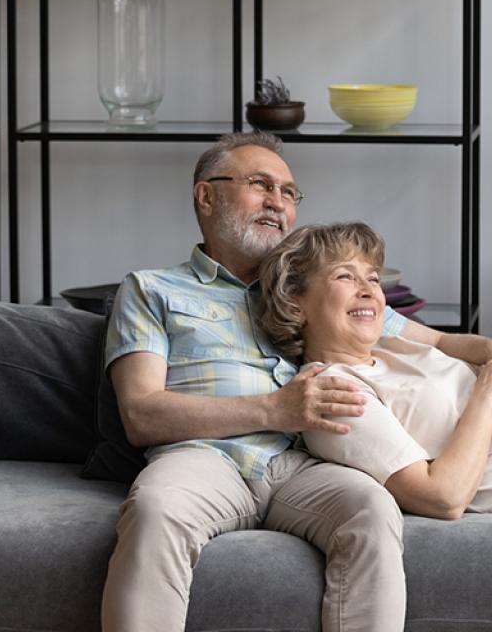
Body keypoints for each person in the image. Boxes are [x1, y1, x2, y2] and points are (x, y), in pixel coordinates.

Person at [100, 132, 492, 632]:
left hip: (305, 463)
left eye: (288, 192)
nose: (278, 202)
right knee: (156, 508)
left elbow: (440, 341)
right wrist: (275, 409)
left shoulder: (309, 285)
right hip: (203, 458)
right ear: (206, 195)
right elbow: (141, 413)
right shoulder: (152, 289)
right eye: (260, 185)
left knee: (372, 508)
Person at [259, 221, 492, 517]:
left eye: (373, 279)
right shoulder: (333, 394)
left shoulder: (393, 346)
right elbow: (443, 497)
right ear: (295, 303)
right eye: (345, 276)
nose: (368, 290)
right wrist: (486, 389)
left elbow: (448, 341)